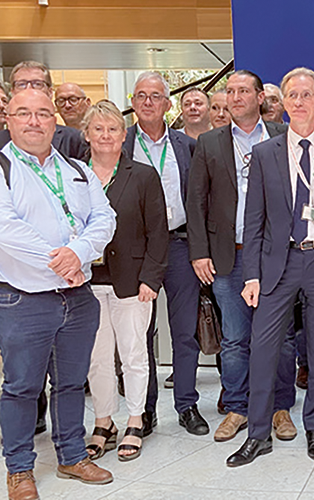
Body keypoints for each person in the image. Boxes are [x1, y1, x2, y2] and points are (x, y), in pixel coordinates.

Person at [0, 88, 116, 500]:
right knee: (21, 387)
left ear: (55, 121)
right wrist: (62, 259)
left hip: (76, 296)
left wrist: (80, 252)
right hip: (21, 298)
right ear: (8, 120)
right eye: (24, 113)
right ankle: (19, 469)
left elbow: (104, 218)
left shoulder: (77, 170)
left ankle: (71, 455)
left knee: (69, 383)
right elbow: (6, 230)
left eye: (43, 113)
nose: (34, 121)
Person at [226, 67, 314, 467]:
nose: (298, 102)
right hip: (276, 263)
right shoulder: (265, 153)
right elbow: (254, 218)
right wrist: (251, 273)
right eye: (291, 96)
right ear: (280, 105)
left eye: (306, 95)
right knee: (263, 349)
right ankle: (258, 433)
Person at [186, 69, 298, 444]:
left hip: (278, 258)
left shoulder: (283, 137)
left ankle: (281, 406)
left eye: (242, 91)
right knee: (235, 339)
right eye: (229, 91)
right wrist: (199, 252)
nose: (234, 97)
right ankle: (238, 406)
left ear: (259, 97)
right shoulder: (210, 143)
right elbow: (196, 200)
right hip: (227, 257)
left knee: (281, 338)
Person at [80, 100, 168, 463]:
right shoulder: (72, 175)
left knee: (133, 355)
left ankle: (134, 419)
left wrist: (151, 277)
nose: (105, 135)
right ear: (86, 134)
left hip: (133, 282)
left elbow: (158, 233)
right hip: (85, 281)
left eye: (113, 129)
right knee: (97, 359)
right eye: (98, 129)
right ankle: (104, 422)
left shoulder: (143, 175)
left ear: (123, 134)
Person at [120, 71, 204, 438]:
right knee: (142, 334)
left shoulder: (186, 146)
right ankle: (145, 408)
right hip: (138, 254)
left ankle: (186, 404)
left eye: (156, 96)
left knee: (185, 333)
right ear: (134, 103)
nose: (149, 102)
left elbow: (200, 202)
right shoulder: (121, 145)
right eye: (141, 95)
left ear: (169, 105)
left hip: (181, 246)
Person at [0, 61, 89, 160]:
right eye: (21, 84)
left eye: (37, 83)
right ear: (12, 92)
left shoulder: (73, 139)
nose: (29, 88)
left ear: (49, 92)